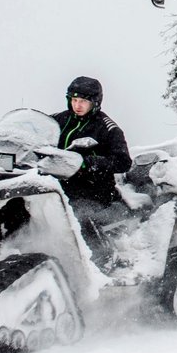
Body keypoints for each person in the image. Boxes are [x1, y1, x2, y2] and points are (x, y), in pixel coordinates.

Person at [50, 76, 133, 265]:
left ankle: (101, 260)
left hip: (93, 193)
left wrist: (89, 163)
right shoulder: (56, 120)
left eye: (83, 101)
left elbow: (123, 162)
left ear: (95, 102)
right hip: (57, 186)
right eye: (74, 100)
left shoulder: (107, 128)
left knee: (79, 215)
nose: (77, 105)